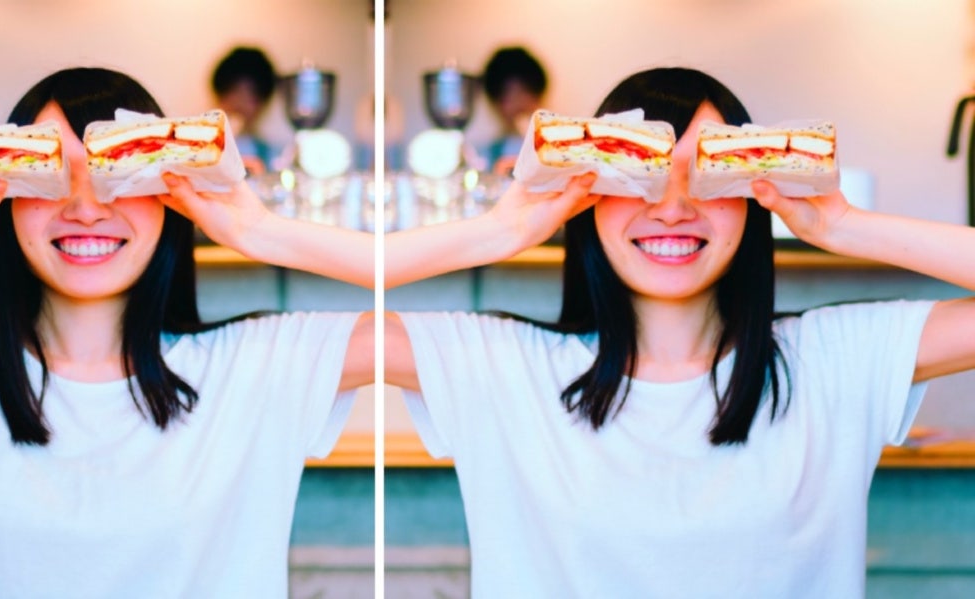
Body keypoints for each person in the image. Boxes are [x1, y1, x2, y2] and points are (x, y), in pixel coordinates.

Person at [0, 67, 376, 597]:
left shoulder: (256, 367)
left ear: (172, 195)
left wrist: (262, 233)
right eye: (52, 174)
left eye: (119, 176)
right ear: (5, 192)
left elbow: (455, 338)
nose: (85, 206)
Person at [382, 67, 975, 597]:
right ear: (586, 194)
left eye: (707, 174)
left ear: (752, 193)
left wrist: (845, 227)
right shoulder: (502, 367)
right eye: (641, 176)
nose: (673, 206)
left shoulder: (837, 359)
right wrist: (496, 234)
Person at [480, 46, 548, 176]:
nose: (519, 103)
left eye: (526, 93)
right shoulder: (485, 157)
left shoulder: (554, 150)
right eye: (509, 97)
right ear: (495, 103)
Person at [211, 46, 279, 174]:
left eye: (249, 98)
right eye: (232, 93)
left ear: (262, 103)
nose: (238, 103)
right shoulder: (205, 150)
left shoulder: (273, 157)